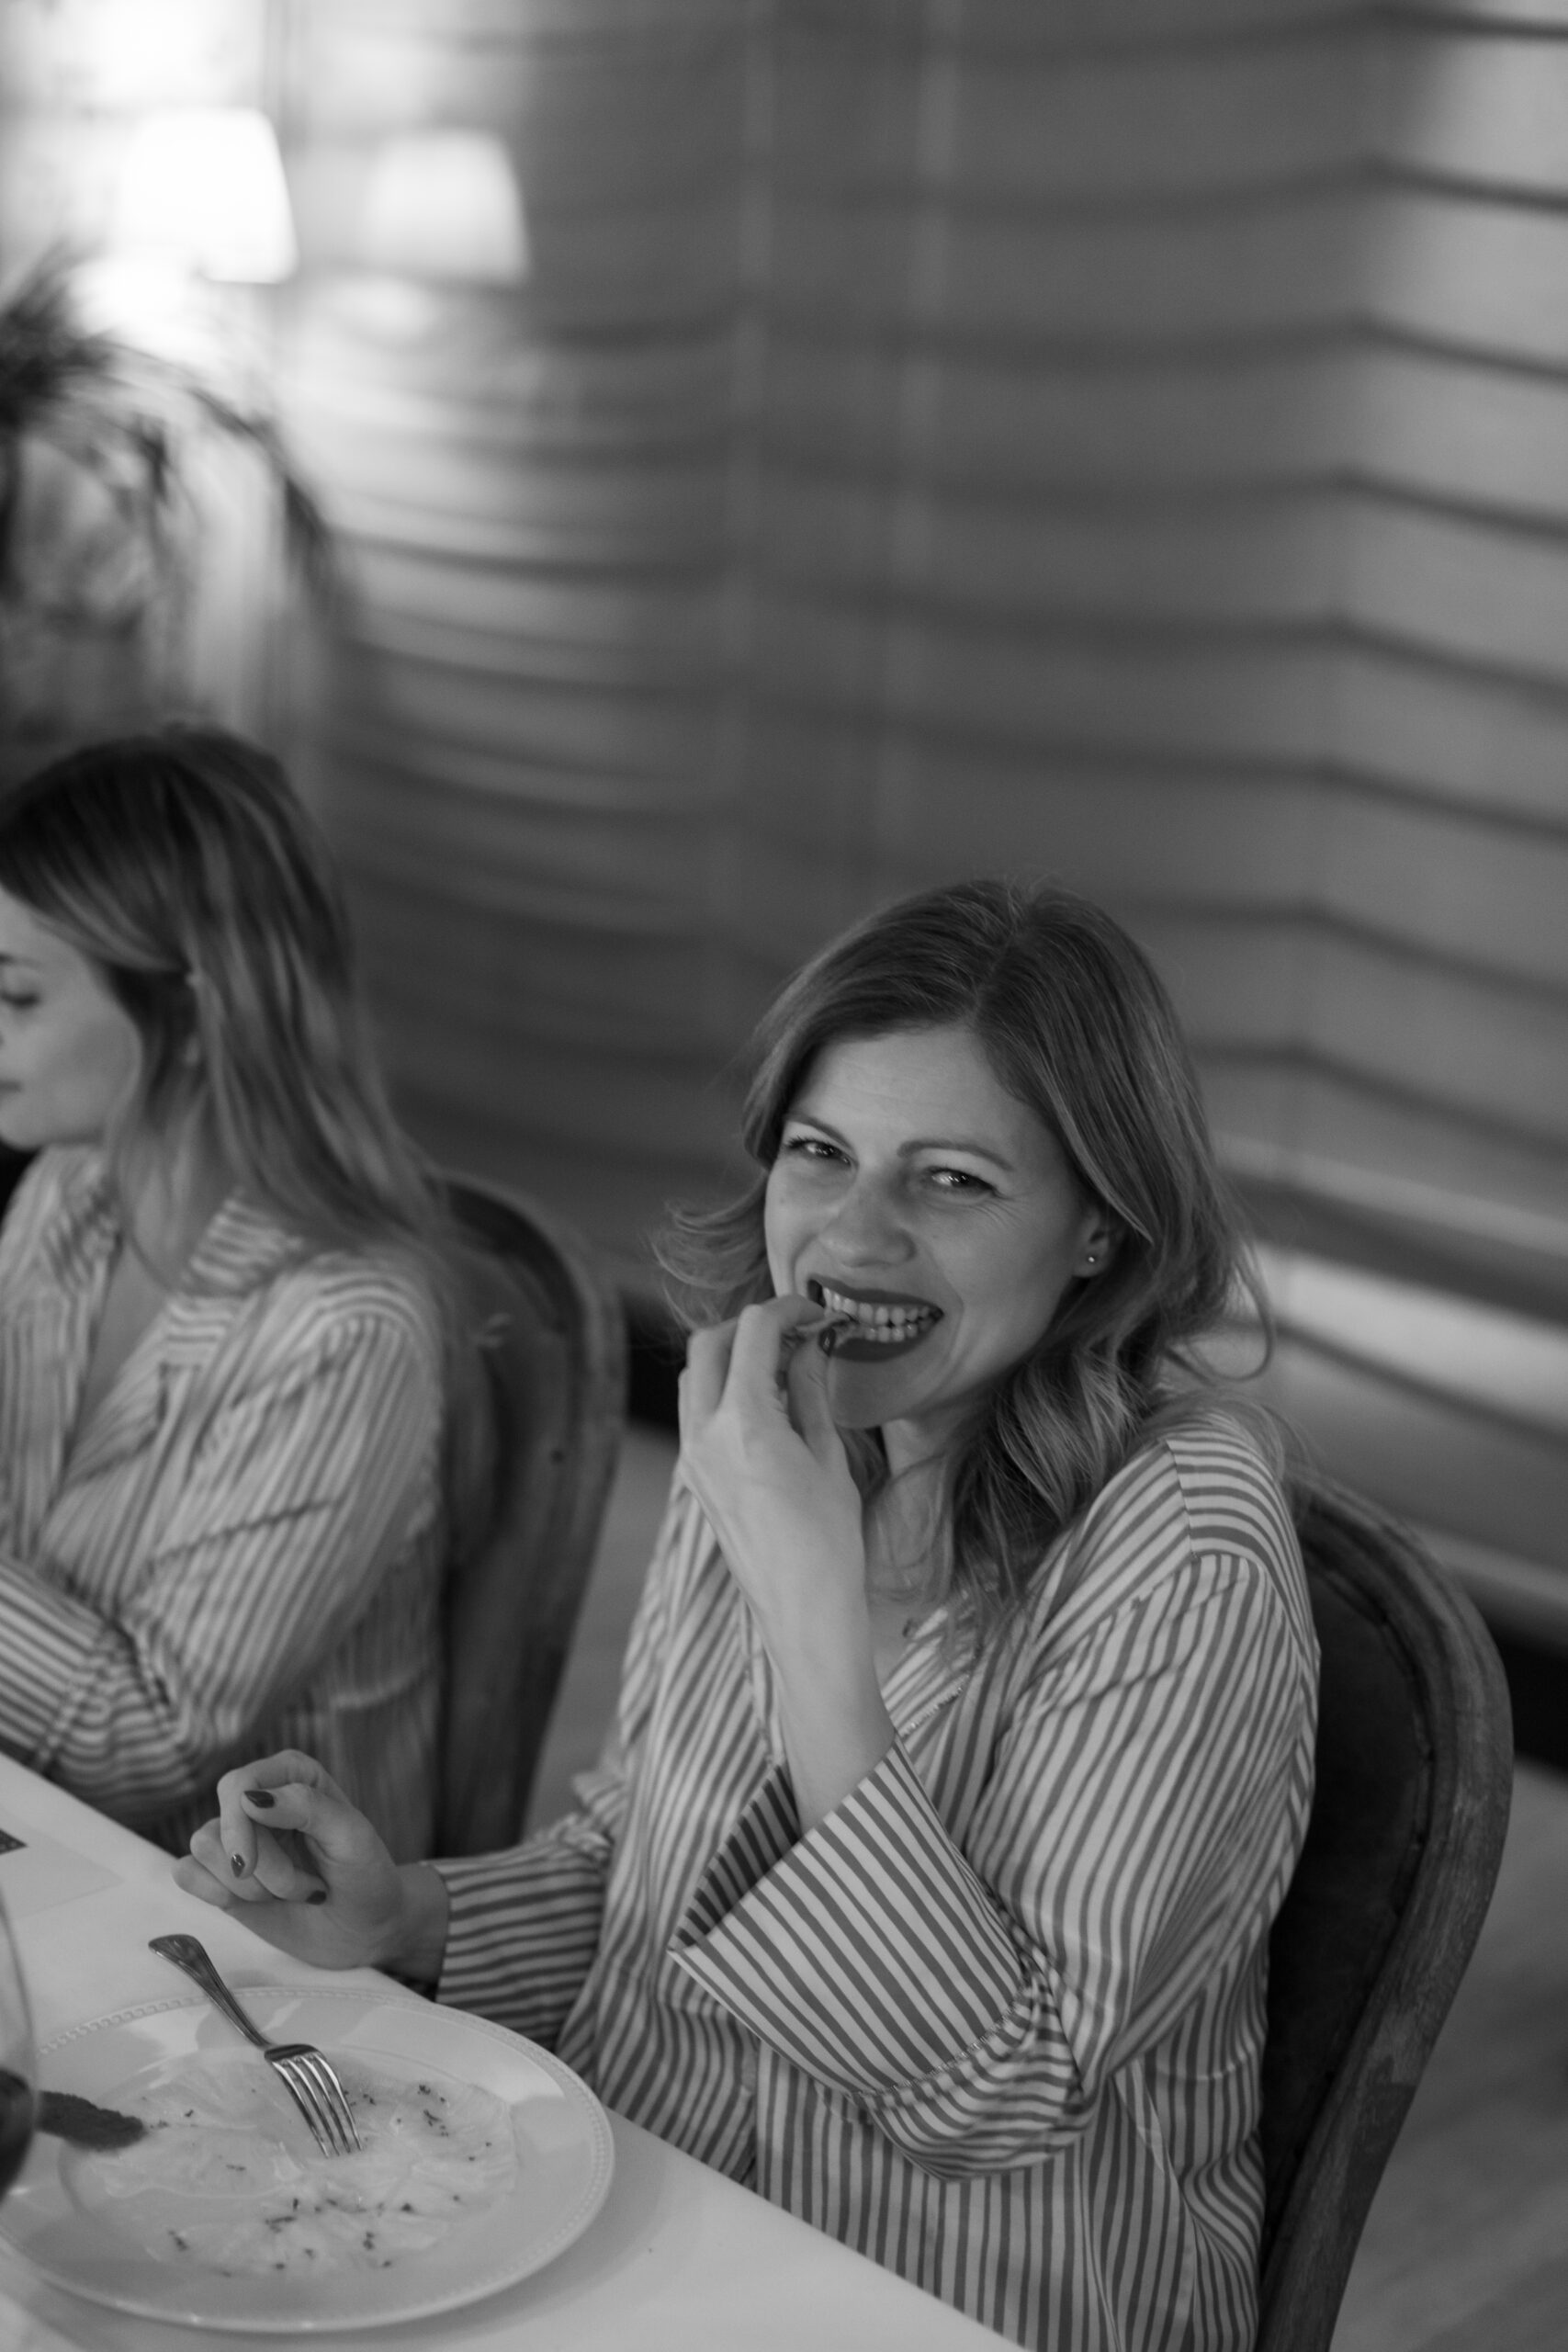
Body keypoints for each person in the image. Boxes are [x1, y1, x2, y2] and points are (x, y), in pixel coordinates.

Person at [175, 878, 1317, 2352]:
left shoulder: (1185, 1543)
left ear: (1100, 1227)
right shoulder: (779, 1424)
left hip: (940, 2299)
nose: (851, 1234)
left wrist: (804, 1599)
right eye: (817, 1154)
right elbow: (630, 1851)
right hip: (633, 2230)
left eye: (951, 1179)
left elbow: (1002, 2089)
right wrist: (410, 1912)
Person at [0, 726, 488, 1861]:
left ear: (190, 1019)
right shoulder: (69, 1191)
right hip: (47, 1852)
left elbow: (149, 1742)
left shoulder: (348, 1326)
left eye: (16, 996)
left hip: (246, 1942)